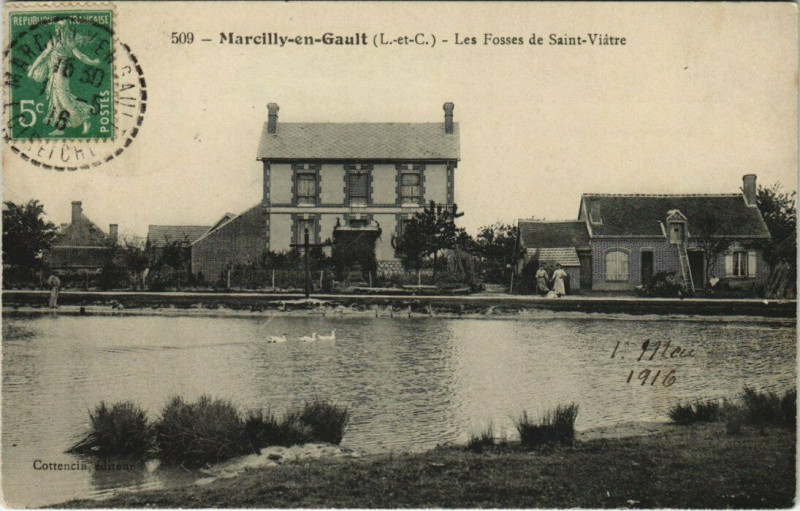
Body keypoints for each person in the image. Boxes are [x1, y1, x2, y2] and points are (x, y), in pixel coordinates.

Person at [27, 20, 101, 135]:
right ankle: (60, 128)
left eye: (58, 28)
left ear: (61, 30)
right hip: (55, 75)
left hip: (60, 76)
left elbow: (80, 56)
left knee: (65, 101)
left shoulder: (64, 42)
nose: (57, 30)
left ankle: (85, 120)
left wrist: (93, 62)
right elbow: (80, 57)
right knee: (56, 102)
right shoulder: (58, 42)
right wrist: (93, 62)